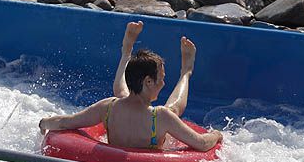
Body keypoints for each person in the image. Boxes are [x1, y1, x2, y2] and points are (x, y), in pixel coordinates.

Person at [39, 21, 222, 152]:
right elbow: (201, 144)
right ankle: (186, 72)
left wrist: (44, 122)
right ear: (149, 82)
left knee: (122, 96)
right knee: (172, 109)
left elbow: (66, 122)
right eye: (162, 78)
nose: (164, 83)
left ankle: (126, 53)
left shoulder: (108, 107)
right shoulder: (161, 117)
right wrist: (217, 135)